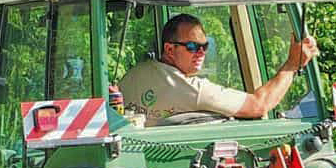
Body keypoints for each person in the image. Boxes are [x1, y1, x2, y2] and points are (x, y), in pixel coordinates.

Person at [118, 13, 319, 125]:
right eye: (192, 47)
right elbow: (260, 105)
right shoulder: (193, 90)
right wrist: (292, 65)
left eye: (205, 47)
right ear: (169, 49)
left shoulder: (133, 75)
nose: (201, 53)